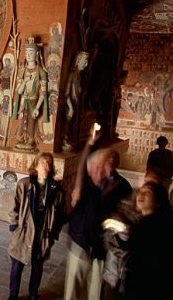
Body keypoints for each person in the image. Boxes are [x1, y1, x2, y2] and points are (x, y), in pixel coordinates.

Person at [65, 124, 132, 300]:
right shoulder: (88, 183)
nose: (99, 169)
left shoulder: (122, 186)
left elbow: (125, 214)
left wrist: (116, 226)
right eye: (99, 165)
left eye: (110, 161)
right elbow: (82, 164)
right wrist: (90, 142)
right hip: (80, 239)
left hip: (102, 245)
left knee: (96, 290)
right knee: (73, 287)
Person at [103, 181, 173, 299]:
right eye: (140, 192)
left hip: (146, 285)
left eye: (147, 192)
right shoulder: (143, 222)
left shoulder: (158, 225)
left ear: (158, 201)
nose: (141, 195)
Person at [7, 152, 66, 300]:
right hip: (24, 232)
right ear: (36, 166)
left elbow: (60, 215)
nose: (46, 167)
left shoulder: (56, 190)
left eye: (49, 164)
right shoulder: (24, 184)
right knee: (17, 266)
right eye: (43, 164)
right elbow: (14, 206)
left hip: (42, 232)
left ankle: (33, 294)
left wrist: (53, 234)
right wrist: (14, 226)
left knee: (37, 266)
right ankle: (13, 295)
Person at [13, 38, 48, 150]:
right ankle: (21, 138)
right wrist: (24, 81)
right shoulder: (23, 70)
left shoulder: (40, 72)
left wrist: (37, 107)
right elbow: (19, 91)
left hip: (34, 100)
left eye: (31, 52)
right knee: (23, 120)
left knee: (32, 122)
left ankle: (31, 140)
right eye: (27, 52)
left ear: (37, 54)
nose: (28, 55)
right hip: (24, 101)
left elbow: (43, 92)